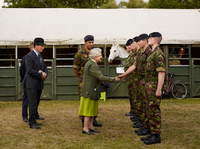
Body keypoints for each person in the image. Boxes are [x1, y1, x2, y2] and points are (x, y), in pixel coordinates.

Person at [79, 48, 118, 135]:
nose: (101, 57)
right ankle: (85, 128)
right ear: (96, 56)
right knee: (88, 111)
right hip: (89, 91)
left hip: (92, 91)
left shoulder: (93, 63)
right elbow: (101, 77)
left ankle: (91, 127)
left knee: (92, 110)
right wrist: (114, 79)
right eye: (100, 55)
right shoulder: (92, 64)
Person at [117, 34, 152, 129]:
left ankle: (143, 121)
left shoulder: (145, 52)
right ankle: (139, 117)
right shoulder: (136, 54)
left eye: (134, 43)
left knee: (142, 101)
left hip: (141, 80)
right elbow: (133, 66)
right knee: (137, 99)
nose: (131, 45)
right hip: (135, 80)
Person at [141, 32, 165, 145]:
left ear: (155, 40)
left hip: (154, 86)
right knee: (149, 109)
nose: (148, 40)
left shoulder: (158, 54)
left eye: (150, 38)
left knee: (154, 110)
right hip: (149, 85)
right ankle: (152, 131)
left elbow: (161, 72)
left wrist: (159, 90)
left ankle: (156, 135)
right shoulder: (152, 53)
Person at [73, 35, 102, 127]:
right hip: (84, 79)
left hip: (94, 79)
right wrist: (81, 78)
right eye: (89, 42)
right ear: (85, 42)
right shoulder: (80, 53)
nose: (91, 44)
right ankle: (83, 120)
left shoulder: (95, 52)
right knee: (84, 99)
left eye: (92, 42)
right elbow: (75, 68)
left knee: (94, 97)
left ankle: (93, 119)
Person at [25, 37, 48, 129]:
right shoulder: (29, 56)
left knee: (36, 102)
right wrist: (40, 75)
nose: (43, 48)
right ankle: (32, 122)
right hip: (32, 84)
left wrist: (45, 73)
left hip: (39, 84)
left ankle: (34, 119)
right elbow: (30, 70)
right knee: (33, 103)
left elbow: (44, 66)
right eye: (41, 46)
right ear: (36, 46)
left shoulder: (40, 56)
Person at [20, 42, 34, 122]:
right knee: (26, 99)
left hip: (34, 81)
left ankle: (35, 114)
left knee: (35, 99)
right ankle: (24, 115)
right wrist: (23, 79)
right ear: (31, 48)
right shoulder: (26, 57)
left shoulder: (38, 57)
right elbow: (22, 70)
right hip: (27, 81)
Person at [124, 39, 136, 116]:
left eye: (129, 45)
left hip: (134, 79)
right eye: (127, 46)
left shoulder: (134, 55)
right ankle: (133, 111)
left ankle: (135, 112)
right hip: (130, 79)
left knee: (135, 97)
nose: (127, 47)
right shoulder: (131, 55)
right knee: (131, 96)